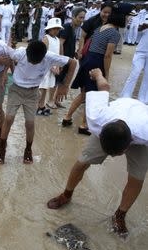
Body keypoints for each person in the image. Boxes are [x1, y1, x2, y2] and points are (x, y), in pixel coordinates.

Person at [47, 68, 148, 238]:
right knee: (82, 161)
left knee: (137, 176)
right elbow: (104, 87)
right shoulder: (97, 119)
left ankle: (120, 215)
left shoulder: (145, 131)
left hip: (139, 122)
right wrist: (98, 74)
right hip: (114, 119)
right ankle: (66, 194)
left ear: (126, 148)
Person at [0, 41, 77, 164]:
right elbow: (8, 56)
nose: (32, 63)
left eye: (36, 61)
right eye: (30, 60)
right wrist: (5, 74)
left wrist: (65, 85)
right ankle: (1, 150)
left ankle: (28, 150)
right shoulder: (20, 53)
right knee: (9, 119)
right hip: (16, 90)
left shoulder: (49, 56)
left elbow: (73, 62)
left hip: (33, 93)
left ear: (43, 56)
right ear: (26, 53)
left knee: (30, 123)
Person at [64, 7, 126, 135]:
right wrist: (106, 74)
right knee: (92, 95)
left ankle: (67, 117)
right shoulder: (114, 33)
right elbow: (107, 55)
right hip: (97, 62)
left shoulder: (100, 28)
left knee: (85, 93)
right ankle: (83, 125)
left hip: (87, 61)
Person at [51, 7, 86, 109]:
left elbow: (68, 44)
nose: (82, 20)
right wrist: (60, 60)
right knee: (56, 80)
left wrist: (74, 53)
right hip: (63, 59)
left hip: (68, 59)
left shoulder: (74, 29)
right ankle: (50, 101)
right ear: (73, 17)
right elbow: (60, 44)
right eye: (80, 17)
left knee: (61, 80)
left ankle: (56, 100)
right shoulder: (66, 27)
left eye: (83, 18)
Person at [36, 18, 63, 116]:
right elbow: (43, 55)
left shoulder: (57, 40)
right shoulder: (46, 38)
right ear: (49, 29)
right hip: (46, 67)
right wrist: (51, 67)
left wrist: (59, 66)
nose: (56, 31)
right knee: (41, 88)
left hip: (53, 67)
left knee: (46, 88)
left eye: (58, 29)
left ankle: (41, 106)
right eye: (54, 28)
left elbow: (58, 54)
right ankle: (37, 106)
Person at [120, 14, 148, 104]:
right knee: (134, 73)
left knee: (147, 77)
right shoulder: (146, 16)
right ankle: (125, 97)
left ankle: (143, 100)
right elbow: (138, 29)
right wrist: (143, 26)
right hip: (141, 51)